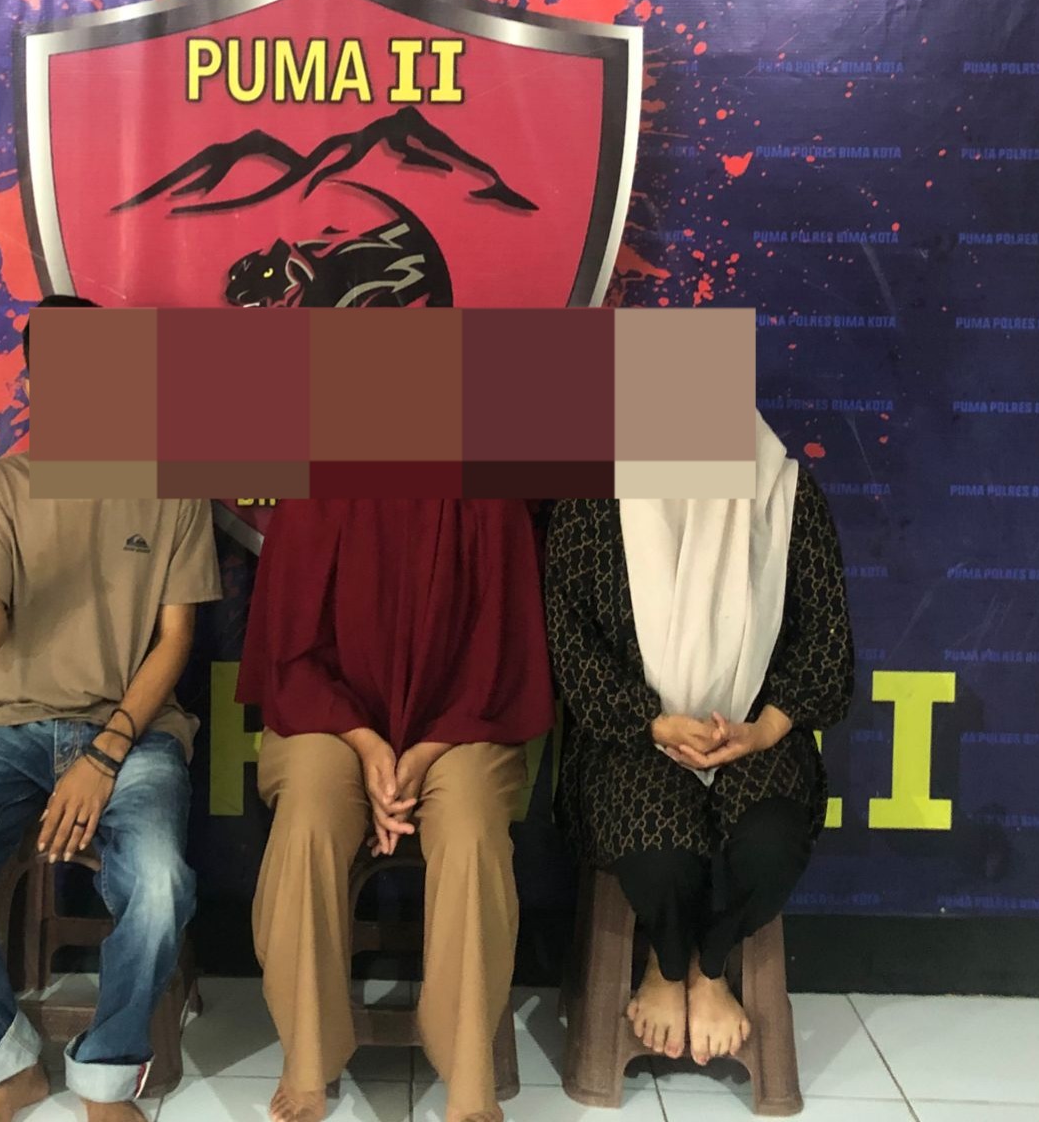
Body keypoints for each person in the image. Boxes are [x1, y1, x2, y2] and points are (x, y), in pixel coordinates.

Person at [0, 295, 223, 1122]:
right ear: (34, 381)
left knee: (159, 885)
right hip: (12, 727)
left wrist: (104, 754)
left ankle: (106, 1074)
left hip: (135, 732)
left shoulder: (172, 486)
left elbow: (175, 642)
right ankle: (5, 1062)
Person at [545, 415, 853, 1067]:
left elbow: (826, 640)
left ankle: (708, 967)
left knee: (770, 842)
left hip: (756, 733)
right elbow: (571, 645)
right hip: (631, 734)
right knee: (657, 847)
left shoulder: (784, 493)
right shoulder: (593, 497)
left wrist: (765, 727)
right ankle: (665, 961)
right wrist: (651, 722)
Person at [237, 499, 555, 1122]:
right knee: (308, 819)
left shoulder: (491, 494)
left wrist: (419, 755)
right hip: (330, 723)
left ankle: (470, 1081)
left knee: (471, 833)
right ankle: (307, 1059)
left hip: (463, 727)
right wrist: (367, 744)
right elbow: (293, 656)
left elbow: (498, 659)